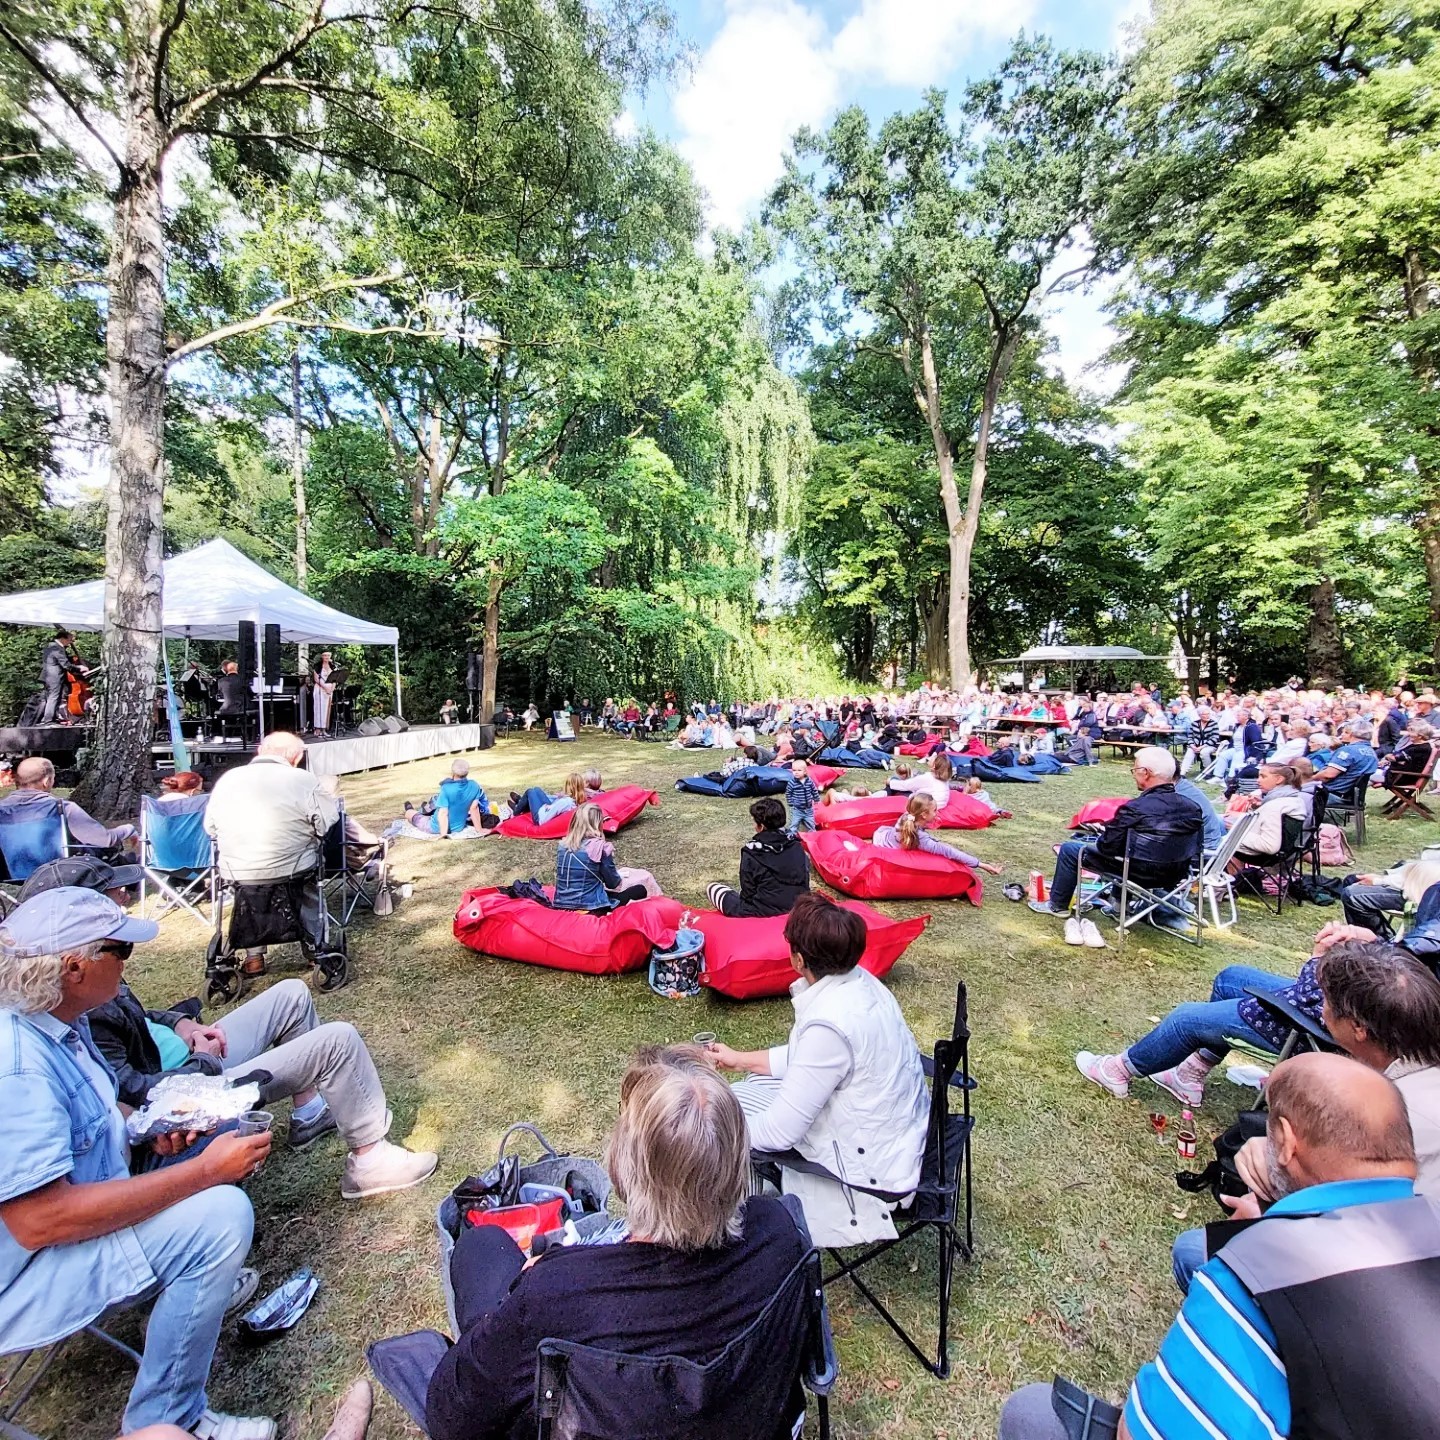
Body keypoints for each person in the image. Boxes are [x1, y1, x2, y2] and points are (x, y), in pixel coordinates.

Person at [998, 1052, 1440, 1440]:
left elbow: (1141, 1433)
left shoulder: (1259, 1270)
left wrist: (1258, 1237)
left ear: (1285, 1141)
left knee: (1034, 1413)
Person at [423, 1045, 811, 1440]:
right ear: (735, 1161)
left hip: (586, 1372)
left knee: (483, 1247)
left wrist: (511, 1304)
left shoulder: (558, 1294)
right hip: (748, 1419)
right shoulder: (778, 1232)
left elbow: (451, 1418)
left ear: (624, 1168)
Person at [0, 887, 276, 1440]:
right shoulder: (18, 1068)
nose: (129, 962)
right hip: (31, 1274)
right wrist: (202, 1173)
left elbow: (94, 1108)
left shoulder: (59, 1018)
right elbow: (39, 1222)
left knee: (213, 1155)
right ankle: (168, 1419)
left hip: (89, 1203)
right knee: (221, 1215)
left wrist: (145, 1125)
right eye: (120, 952)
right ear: (74, 968)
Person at [22, 864, 437, 1199]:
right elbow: (132, 1096)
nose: (124, 897)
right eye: (120, 944)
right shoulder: (58, 1028)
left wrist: (181, 1023)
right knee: (338, 1041)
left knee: (292, 993)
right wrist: (201, 1062)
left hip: (183, 1059)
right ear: (73, 953)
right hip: (183, 1093)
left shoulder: (72, 992)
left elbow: (137, 1016)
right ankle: (370, 1160)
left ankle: (309, 1114)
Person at [1170, 940, 1440, 1293]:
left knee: (1193, 1251)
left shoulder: (1389, 1117)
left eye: (1324, 1000)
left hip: (1401, 1279)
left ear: (1358, 1027)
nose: (1320, 1007)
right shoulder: (1410, 1069)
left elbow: (1355, 1224)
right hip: (1390, 1240)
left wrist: (1270, 1223)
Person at [708, 894, 930, 1246]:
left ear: (798, 959)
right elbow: (808, 1061)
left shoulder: (831, 1024)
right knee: (752, 1083)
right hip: (903, 1135)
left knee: (722, 1111)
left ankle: (731, 1225)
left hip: (873, 1170)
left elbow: (779, 1133)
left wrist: (708, 1124)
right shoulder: (863, 984)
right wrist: (739, 1059)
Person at [1074, 925, 1363, 1106]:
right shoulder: (1406, 955)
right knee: (1231, 978)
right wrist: (1366, 938)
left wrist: (1319, 957)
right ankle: (1190, 1075)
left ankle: (1117, 1071)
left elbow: (1307, 996)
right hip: (1331, 1002)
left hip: (1318, 1028)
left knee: (1187, 1019)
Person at [203, 732, 342, 975]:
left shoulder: (229, 779)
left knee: (251, 897)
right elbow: (326, 821)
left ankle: (254, 958)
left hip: (238, 869)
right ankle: (314, 950)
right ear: (296, 757)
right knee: (308, 891)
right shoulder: (302, 779)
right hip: (292, 866)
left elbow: (210, 828)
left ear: (260, 750)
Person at [1029, 746, 1204, 934]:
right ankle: (1119, 907)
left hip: (1138, 872)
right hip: (1176, 874)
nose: (1133, 774)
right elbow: (1197, 848)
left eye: (1135, 770)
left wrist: (1104, 834)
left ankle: (1058, 906)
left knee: (1071, 849)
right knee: (1129, 855)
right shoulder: (1193, 808)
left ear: (1145, 773)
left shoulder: (1135, 808)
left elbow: (1106, 847)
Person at [0, 755, 137, 853]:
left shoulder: (2, 810)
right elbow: (106, 840)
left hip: (11, 875)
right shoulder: (61, 809)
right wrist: (128, 829)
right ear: (47, 781)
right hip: (57, 873)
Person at [705, 797, 811, 918]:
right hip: (798, 906)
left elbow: (747, 895)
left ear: (761, 826)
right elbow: (805, 881)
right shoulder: (796, 845)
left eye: (755, 822)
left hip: (761, 912)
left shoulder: (752, 852)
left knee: (713, 888)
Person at [552, 803, 651, 913]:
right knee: (639, 890)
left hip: (561, 903)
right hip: (591, 906)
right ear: (597, 823)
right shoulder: (600, 848)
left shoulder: (562, 846)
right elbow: (613, 883)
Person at [873, 793, 1003, 875]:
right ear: (924, 814)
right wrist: (981, 864)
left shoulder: (908, 816)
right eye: (934, 810)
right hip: (883, 847)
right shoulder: (922, 840)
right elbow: (949, 852)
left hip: (881, 835)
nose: (937, 813)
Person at [1229, 761, 1307, 863]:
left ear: (1279, 779)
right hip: (1282, 853)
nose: (1258, 781)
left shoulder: (1275, 805)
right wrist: (1256, 808)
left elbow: (1269, 846)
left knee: (1213, 834)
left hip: (1260, 855)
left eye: (1263, 776)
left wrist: (1234, 830)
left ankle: (1226, 877)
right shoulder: (1293, 799)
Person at [407, 758, 494, 837]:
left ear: (453, 772)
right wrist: (479, 829)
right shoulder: (474, 785)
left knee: (409, 813)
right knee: (429, 815)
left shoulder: (446, 788)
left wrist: (443, 834)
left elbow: (443, 813)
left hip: (436, 827)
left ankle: (410, 810)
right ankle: (420, 812)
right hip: (458, 827)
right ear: (467, 772)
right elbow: (474, 809)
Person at [1313, 718, 1378, 798]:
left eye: (1346, 732)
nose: (1342, 734)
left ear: (1352, 733)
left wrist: (1310, 779)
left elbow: (1328, 775)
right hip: (1351, 796)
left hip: (1331, 794)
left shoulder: (1348, 750)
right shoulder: (1372, 752)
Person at [507, 771, 587, 828]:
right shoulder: (575, 799)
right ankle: (522, 801)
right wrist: (560, 797)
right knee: (537, 789)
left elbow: (550, 811)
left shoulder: (565, 802)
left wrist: (546, 805)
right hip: (548, 808)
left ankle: (516, 810)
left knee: (530, 791)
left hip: (540, 817)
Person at [38, 627, 84, 724]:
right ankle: (48, 720)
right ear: (63, 638)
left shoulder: (51, 646)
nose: (70, 642)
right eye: (69, 640)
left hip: (48, 676)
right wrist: (80, 668)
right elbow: (65, 664)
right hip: (54, 677)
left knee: (52, 697)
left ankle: (51, 717)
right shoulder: (56, 648)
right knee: (54, 697)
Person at [887, 752, 953, 806]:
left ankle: (884, 796)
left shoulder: (927, 778)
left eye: (934, 758)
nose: (931, 757)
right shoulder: (944, 779)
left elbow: (905, 785)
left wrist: (890, 781)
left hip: (924, 806)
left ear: (934, 766)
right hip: (934, 804)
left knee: (895, 782)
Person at [785, 759, 821, 832]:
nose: (796, 772)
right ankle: (792, 835)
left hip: (808, 809)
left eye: (799, 770)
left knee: (811, 823)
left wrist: (816, 799)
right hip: (797, 809)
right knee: (794, 823)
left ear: (805, 771)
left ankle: (812, 834)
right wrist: (790, 802)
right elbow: (788, 793)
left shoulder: (809, 781)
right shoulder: (792, 782)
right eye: (794, 770)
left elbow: (814, 790)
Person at [311, 652, 338, 735]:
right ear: (322, 656)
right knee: (319, 709)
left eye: (328, 655)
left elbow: (335, 678)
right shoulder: (317, 666)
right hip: (320, 689)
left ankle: (324, 729)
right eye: (325, 655)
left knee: (327, 710)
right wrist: (325, 687)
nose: (326, 657)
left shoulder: (333, 666)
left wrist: (332, 688)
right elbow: (316, 679)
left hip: (329, 690)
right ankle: (317, 729)